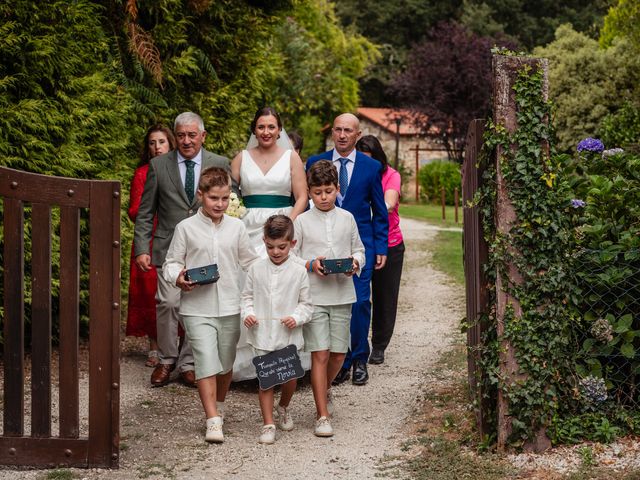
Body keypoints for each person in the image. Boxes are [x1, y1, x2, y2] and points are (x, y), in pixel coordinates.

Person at [134, 112, 233, 388]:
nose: (186, 140)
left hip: (205, 246)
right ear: (174, 136)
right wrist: (142, 247)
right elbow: (145, 212)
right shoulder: (158, 165)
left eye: (192, 135)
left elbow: (231, 202)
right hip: (168, 248)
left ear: (203, 136)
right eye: (181, 135)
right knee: (167, 302)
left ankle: (189, 363)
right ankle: (167, 359)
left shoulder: (219, 163)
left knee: (197, 305)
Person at [163, 167, 258, 443]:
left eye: (225, 199)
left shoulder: (237, 227)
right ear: (200, 195)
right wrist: (178, 277)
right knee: (205, 360)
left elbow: (249, 262)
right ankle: (212, 419)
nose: (220, 205)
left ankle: (220, 405)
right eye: (214, 198)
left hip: (230, 304)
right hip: (196, 306)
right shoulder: (185, 228)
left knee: (225, 364)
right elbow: (171, 263)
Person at [307, 113, 388, 386]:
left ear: (357, 134)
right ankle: (337, 360)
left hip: (358, 247)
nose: (342, 135)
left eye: (348, 131)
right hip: (322, 246)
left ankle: (359, 360)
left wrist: (380, 246)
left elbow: (379, 210)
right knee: (329, 304)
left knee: (361, 302)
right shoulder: (315, 162)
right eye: (338, 130)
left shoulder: (371, 166)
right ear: (332, 132)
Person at [230, 106, 308, 381]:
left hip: (282, 227)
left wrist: (288, 223)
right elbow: (230, 195)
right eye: (261, 127)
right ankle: (248, 368)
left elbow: (301, 196)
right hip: (248, 229)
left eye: (271, 127)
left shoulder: (290, 158)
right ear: (254, 129)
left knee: (283, 288)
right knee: (250, 287)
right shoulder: (241, 158)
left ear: (279, 130)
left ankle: (283, 361)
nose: (266, 132)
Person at [292, 160, 365, 436]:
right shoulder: (301, 221)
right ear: (309, 192)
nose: (323, 197)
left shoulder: (347, 218)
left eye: (328, 191)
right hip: (314, 296)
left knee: (338, 353)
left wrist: (354, 263)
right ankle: (322, 415)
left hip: (342, 293)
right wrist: (311, 264)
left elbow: (359, 250)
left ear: (337, 189)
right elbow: (292, 257)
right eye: (317, 192)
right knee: (319, 354)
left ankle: (326, 387)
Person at [241, 215, 312, 444]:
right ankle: (268, 423)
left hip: (288, 335)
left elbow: (306, 304)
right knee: (266, 379)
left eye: (282, 247)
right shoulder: (256, 269)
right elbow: (247, 297)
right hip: (262, 333)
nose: (276, 252)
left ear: (292, 243)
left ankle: (284, 406)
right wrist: (248, 314)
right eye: (270, 247)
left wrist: (296, 317)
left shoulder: (299, 271)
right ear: (263, 241)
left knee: (289, 377)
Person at [126, 124, 175, 367]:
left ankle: (180, 346)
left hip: (176, 235)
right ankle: (155, 347)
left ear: (170, 143)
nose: (157, 147)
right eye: (152, 143)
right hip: (150, 234)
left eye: (162, 142)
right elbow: (135, 210)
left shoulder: (180, 169)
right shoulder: (142, 173)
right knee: (151, 293)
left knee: (179, 290)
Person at [356, 135, 405, 365]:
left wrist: (369, 206)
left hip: (390, 243)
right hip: (361, 243)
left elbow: (390, 201)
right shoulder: (354, 173)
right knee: (359, 297)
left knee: (385, 296)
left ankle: (379, 345)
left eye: (368, 159)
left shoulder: (391, 175)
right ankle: (357, 343)